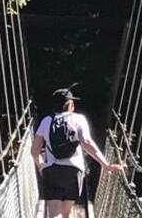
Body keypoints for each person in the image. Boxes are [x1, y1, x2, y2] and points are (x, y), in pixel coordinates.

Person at [33, 86, 124, 218]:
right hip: (74, 171)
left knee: (54, 214)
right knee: (66, 213)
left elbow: (34, 151)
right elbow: (86, 142)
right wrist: (106, 165)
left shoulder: (46, 121)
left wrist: (42, 167)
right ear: (70, 104)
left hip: (52, 170)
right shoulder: (79, 119)